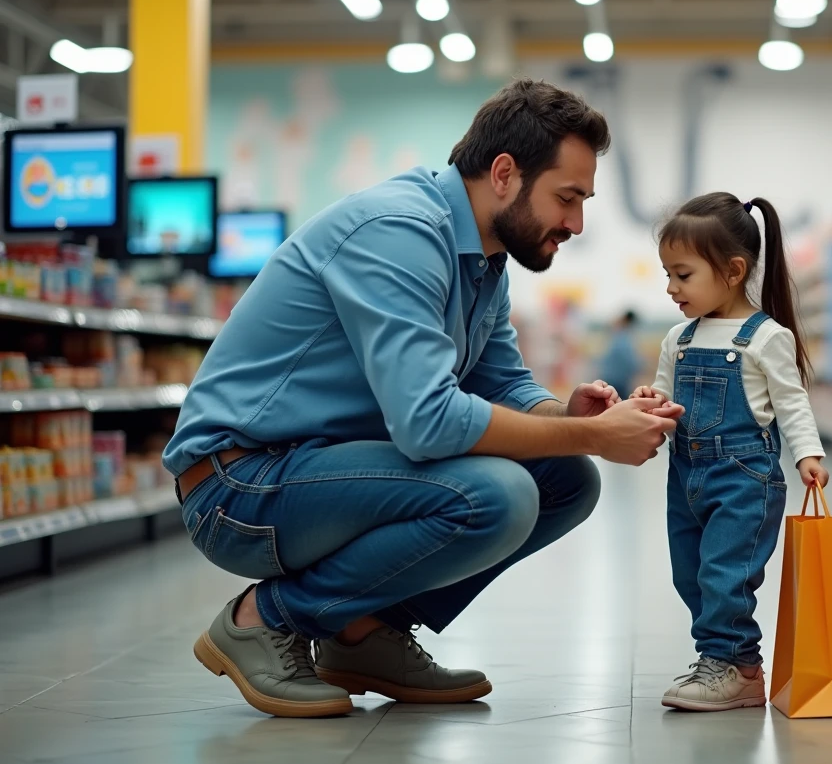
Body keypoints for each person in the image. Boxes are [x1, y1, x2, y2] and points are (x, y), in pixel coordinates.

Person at [164, 79, 682, 719]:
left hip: (320, 470)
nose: (576, 223)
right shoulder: (401, 233)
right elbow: (429, 423)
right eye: (567, 198)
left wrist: (566, 417)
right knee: (499, 494)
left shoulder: (483, 263)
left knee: (565, 480)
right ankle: (260, 618)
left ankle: (364, 632)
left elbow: (505, 385)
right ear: (503, 174)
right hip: (238, 485)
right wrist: (595, 438)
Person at [629, 193, 829, 712]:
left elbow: (792, 402)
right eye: (667, 274)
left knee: (726, 573)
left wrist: (809, 453)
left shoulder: (766, 337)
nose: (671, 288)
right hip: (687, 474)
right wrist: (652, 406)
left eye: (683, 275)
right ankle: (728, 664)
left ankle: (730, 664)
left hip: (745, 476)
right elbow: (667, 397)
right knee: (689, 571)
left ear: (734, 270)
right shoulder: (678, 337)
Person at [597, 310, 644, 401]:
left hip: (609, 377)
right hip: (618, 381)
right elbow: (631, 362)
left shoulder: (615, 335)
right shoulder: (623, 338)